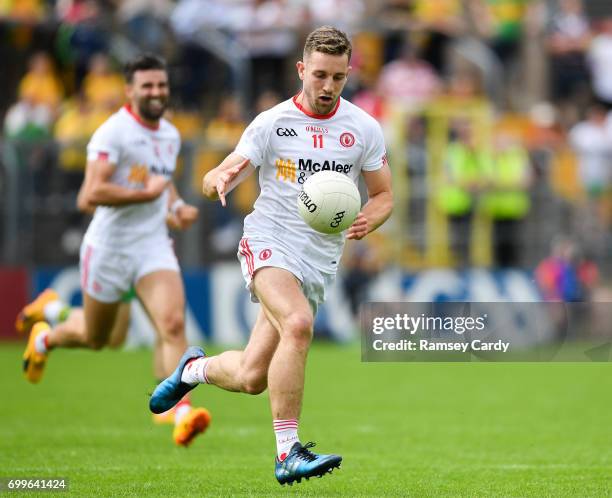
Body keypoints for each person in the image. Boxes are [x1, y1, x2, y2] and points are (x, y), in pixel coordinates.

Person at [150, 26, 394, 485]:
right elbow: (221, 172)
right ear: (302, 70)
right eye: (319, 75)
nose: (327, 87)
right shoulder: (272, 124)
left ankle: (193, 369)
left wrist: (370, 219)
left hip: (317, 262)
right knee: (298, 324)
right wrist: (218, 180)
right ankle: (288, 454)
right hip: (268, 242)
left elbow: (383, 196)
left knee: (250, 376)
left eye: (338, 78)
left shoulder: (363, 128)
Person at [20, 54, 210, 447]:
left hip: (152, 245)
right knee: (99, 337)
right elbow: (89, 194)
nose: (156, 92)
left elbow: (163, 184)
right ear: (129, 91)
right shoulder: (112, 133)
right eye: (147, 86)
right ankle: (47, 332)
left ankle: (182, 414)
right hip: (109, 249)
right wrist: (145, 194)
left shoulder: (170, 134)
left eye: (161, 85)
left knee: (172, 324)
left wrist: (175, 208)